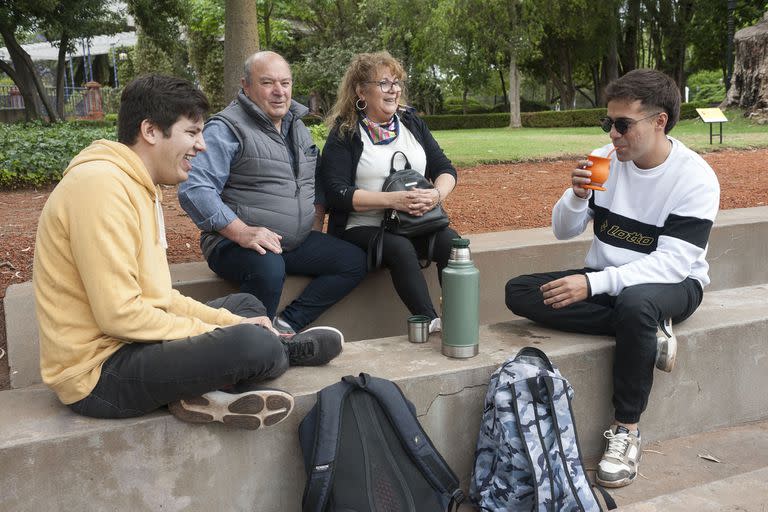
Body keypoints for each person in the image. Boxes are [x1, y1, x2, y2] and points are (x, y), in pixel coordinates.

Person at [33, 75, 344, 430]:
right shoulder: (100, 188)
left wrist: (232, 323)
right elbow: (119, 317)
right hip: (99, 375)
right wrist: (219, 333)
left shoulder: (137, 185)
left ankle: (201, 388)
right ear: (151, 131)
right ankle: (278, 350)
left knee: (247, 308)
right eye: (192, 133)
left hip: (132, 346)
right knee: (255, 346)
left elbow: (159, 298)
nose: (202, 146)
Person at [505, 69, 720, 487]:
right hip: (607, 279)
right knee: (520, 292)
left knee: (637, 303)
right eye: (608, 123)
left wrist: (592, 285)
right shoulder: (604, 159)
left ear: (660, 121)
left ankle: (627, 430)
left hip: (674, 285)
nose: (613, 134)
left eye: (623, 124)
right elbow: (564, 230)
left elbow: (672, 265)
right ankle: (646, 334)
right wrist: (577, 195)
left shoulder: (694, 177)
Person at [178, 51, 367, 335]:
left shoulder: (297, 126)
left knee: (353, 260)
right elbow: (195, 188)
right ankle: (248, 345)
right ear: (246, 86)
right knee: (268, 267)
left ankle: (286, 325)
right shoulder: (227, 128)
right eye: (268, 83)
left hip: (291, 241)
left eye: (285, 83)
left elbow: (313, 178)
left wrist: (313, 223)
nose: (279, 92)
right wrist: (242, 231)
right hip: (234, 244)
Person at [320, 51, 459, 334]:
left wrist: (435, 195)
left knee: (452, 244)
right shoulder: (345, 133)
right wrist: (393, 201)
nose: (394, 89)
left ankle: (457, 318)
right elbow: (337, 193)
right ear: (361, 90)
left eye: (396, 82)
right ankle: (430, 322)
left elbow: (445, 168)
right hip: (362, 226)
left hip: (415, 222)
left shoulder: (411, 122)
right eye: (384, 83)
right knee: (398, 247)